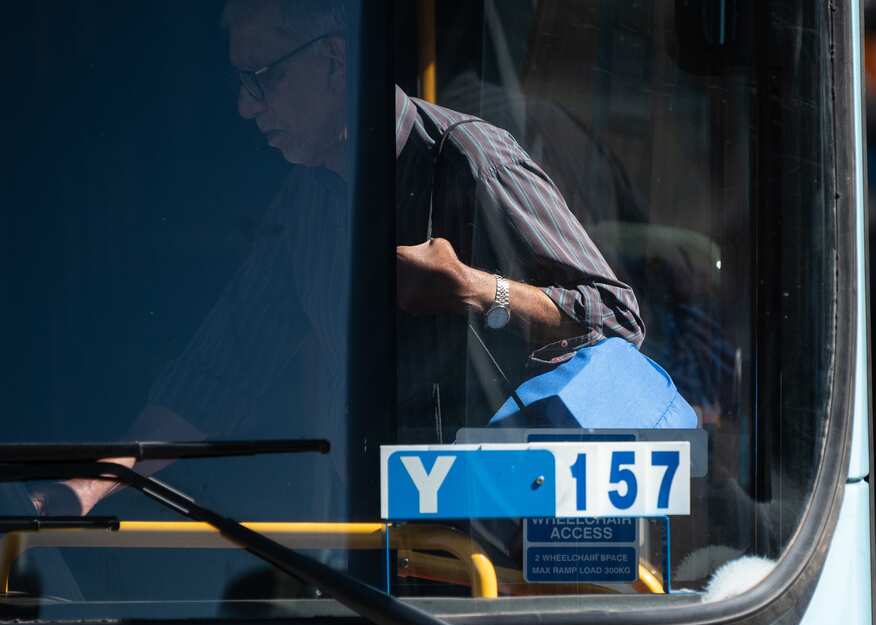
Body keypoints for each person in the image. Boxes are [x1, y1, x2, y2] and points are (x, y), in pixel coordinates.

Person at [31, 0, 643, 519]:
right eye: (239, 83)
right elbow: (218, 373)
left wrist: (480, 291)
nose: (246, 107)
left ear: (336, 59)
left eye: (262, 77)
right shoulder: (307, 202)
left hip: (500, 558)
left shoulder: (469, 159)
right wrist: (81, 489)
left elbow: (618, 321)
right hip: (375, 560)